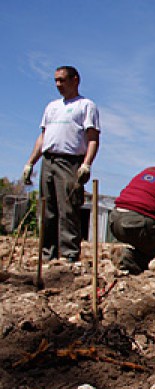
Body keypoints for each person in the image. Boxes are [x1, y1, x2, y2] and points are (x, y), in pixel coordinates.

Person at [22, 65, 100, 262]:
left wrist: (86, 164)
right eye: (56, 80)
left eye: (62, 80)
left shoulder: (86, 105)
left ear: (75, 80)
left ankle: (69, 255)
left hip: (70, 162)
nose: (58, 85)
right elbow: (43, 137)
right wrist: (30, 163)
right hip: (49, 161)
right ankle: (47, 254)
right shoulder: (52, 107)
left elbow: (92, 138)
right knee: (47, 210)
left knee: (68, 209)